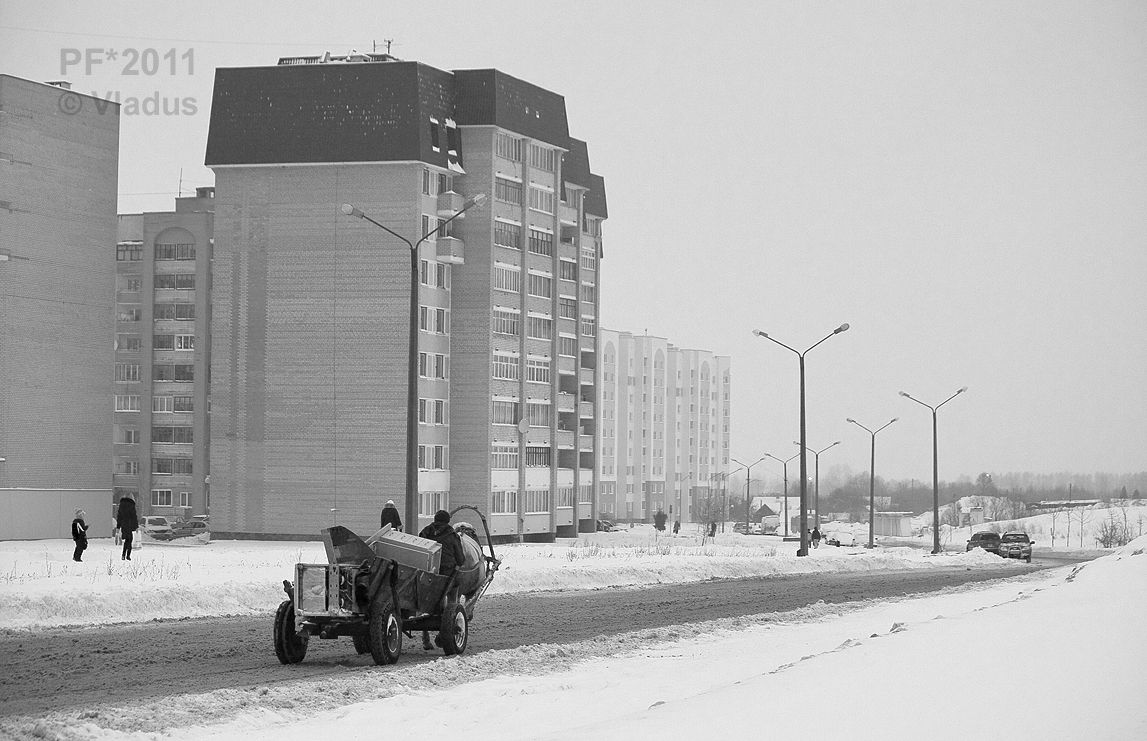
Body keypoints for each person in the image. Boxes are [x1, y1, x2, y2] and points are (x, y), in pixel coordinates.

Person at [418, 509, 465, 650]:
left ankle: (425, 638)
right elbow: (460, 559)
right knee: (453, 594)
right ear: (447, 521)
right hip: (446, 575)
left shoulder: (425, 532)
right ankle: (450, 622)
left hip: (427, 575)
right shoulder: (452, 535)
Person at [117, 495, 139, 560]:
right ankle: (128, 555)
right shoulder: (131, 505)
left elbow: (119, 517)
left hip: (124, 525)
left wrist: (118, 527)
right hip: (130, 525)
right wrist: (136, 526)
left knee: (126, 540)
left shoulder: (121, 505)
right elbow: (134, 517)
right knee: (129, 540)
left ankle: (123, 555)